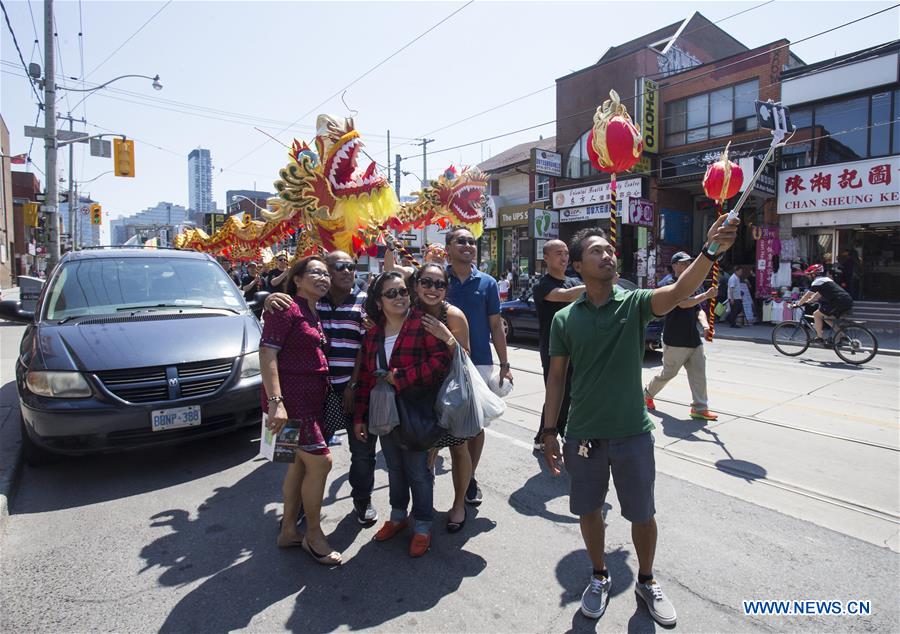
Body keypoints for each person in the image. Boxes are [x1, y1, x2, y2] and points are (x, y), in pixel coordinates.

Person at [541, 216, 738, 625]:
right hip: (583, 435)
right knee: (589, 510)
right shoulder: (565, 319)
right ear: (577, 265)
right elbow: (557, 379)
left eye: (609, 250)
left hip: (633, 432)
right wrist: (548, 432)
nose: (607, 254)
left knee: (641, 513)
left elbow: (682, 289)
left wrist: (711, 249)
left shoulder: (633, 304)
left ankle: (646, 581)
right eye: (596, 250)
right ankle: (599, 576)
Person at [265, 251, 376, 526]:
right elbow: (269, 348)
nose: (347, 271)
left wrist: (352, 384)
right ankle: (296, 512)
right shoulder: (307, 302)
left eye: (351, 266)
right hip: (304, 396)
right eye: (338, 267)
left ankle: (362, 501)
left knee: (362, 453)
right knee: (297, 457)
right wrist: (269, 297)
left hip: (354, 392)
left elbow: (367, 346)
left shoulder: (366, 302)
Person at [353, 272, 452, 557]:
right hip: (385, 414)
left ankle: (422, 525)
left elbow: (441, 363)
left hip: (416, 411)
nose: (399, 297)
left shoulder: (422, 324)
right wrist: (360, 417)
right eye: (391, 293)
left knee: (419, 472)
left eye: (402, 292)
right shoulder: (373, 334)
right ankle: (398, 517)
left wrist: (402, 377)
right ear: (378, 300)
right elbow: (366, 380)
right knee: (394, 469)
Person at [259, 256, 341, 566]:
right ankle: (314, 535)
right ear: (297, 279)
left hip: (311, 400)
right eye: (315, 272)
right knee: (321, 462)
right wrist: (276, 403)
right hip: (290, 402)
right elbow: (267, 352)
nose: (323, 277)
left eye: (325, 273)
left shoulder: (312, 310)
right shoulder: (285, 307)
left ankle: (289, 530)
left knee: (296, 465)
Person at [445, 226, 513, 507]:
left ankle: (470, 477)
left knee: (475, 424)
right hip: (441, 362)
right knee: (443, 423)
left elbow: (495, 325)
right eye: (461, 241)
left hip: (480, 363)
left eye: (472, 242)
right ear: (447, 247)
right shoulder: (436, 280)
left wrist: (505, 364)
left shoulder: (487, 283)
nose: (468, 246)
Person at [412, 263, 473, 533]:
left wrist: (446, 336)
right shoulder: (407, 312)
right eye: (427, 282)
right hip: (417, 394)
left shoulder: (454, 316)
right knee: (424, 452)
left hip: (451, 396)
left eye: (439, 284)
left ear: (446, 289)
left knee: (459, 449)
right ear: (416, 285)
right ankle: (424, 506)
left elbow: (466, 359)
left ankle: (459, 504)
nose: (432, 289)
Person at [643, 251, 719, 422]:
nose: (686, 266)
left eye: (688, 263)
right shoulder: (669, 284)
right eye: (683, 263)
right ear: (675, 265)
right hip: (675, 339)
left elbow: (698, 309)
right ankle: (646, 394)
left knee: (699, 374)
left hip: (693, 339)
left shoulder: (693, 285)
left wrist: (705, 326)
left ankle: (700, 408)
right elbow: (683, 304)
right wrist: (706, 295)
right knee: (668, 373)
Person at [531, 239, 584, 450]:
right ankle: (546, 436)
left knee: (572, 393)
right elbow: (565, 296)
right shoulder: (542, 285)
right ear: (546, 258)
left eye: (566, 253)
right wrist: (597, 283)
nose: (564, 257)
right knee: (558, 392)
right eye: (558, 253)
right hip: (553, 348)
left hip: (576, 347)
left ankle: (550, 435)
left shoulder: (573, 281)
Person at [794, 263, 854, 344]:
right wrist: (809, 302)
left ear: (814, 274)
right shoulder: (826, 280)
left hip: (838, 301)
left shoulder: (817, 282)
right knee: (827, 318)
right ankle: (842, 335)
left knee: (817, 314)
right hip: (846, 300)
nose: (809, 276)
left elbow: (807, 295)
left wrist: (798, 304)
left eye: (810, 274)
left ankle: (819, 337)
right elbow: (817, 295)